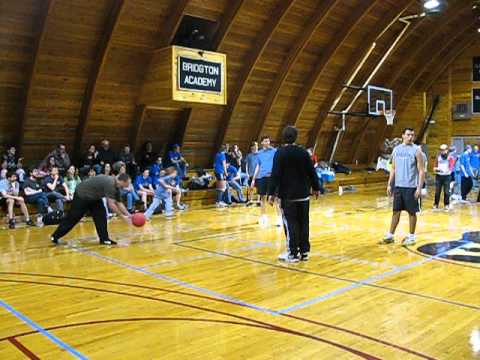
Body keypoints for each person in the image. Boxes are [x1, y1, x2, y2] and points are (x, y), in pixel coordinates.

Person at [268, 126, 320, 263]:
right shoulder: (303, 152)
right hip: (303, 195)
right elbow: (312, 171)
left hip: (288, 196)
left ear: (283, 137)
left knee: (291, 224)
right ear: (296, 137)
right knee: (303, 222)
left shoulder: (280, 153)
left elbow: (275, 174)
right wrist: (316, 188)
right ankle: (304, 252)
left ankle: (292, 253)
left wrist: (271, 193)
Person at [51, 174, 132, 245]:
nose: (127, 186)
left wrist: (129, 215)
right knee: (74, 217)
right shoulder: (110, 184)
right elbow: (111, 204)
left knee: (101, 216)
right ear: (122, 181)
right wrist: (122, 217)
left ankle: (104, 239)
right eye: (127, 184)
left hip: (94, 197)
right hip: (82, 194)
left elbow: (119, 203)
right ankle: (55, 236)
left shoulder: (117, 186)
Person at [381, 128, 425, 246]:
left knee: (412, 212)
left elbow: (421, 170)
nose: (411, 137)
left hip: (411, 187)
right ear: (403, 136)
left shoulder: (417, 150)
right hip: (398, 186)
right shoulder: (396, 150)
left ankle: (411, 237)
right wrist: (390, 184)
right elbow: (393, 168)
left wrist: (419, 188)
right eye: (408, 135)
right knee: (395, 211)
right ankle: (390, 235)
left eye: (412, 135)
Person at [251, 136, 279, 227]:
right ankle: (263, 217)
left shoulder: (274, 151)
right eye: (265, 141)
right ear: (262, 143)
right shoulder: (259, 153)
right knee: (262, 198)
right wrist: (253, 179)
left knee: (276, 199)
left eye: (268, 141)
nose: (268, 142)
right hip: (262, 177)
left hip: (272, 177)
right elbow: (258, 166)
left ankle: (279, 218)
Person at [433, 144, 452, 210]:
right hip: (439, 176)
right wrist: (437, 170)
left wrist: (447, 170)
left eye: (443, 150)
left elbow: (451, 167)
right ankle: (436, 204)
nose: (442, 151)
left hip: (447, 177)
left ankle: (446, 204)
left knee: (446, 192)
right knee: (437, 191)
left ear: (446, 150)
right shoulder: (438, 157)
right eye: (441, 150)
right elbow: (434, 168)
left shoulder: (450, 157)